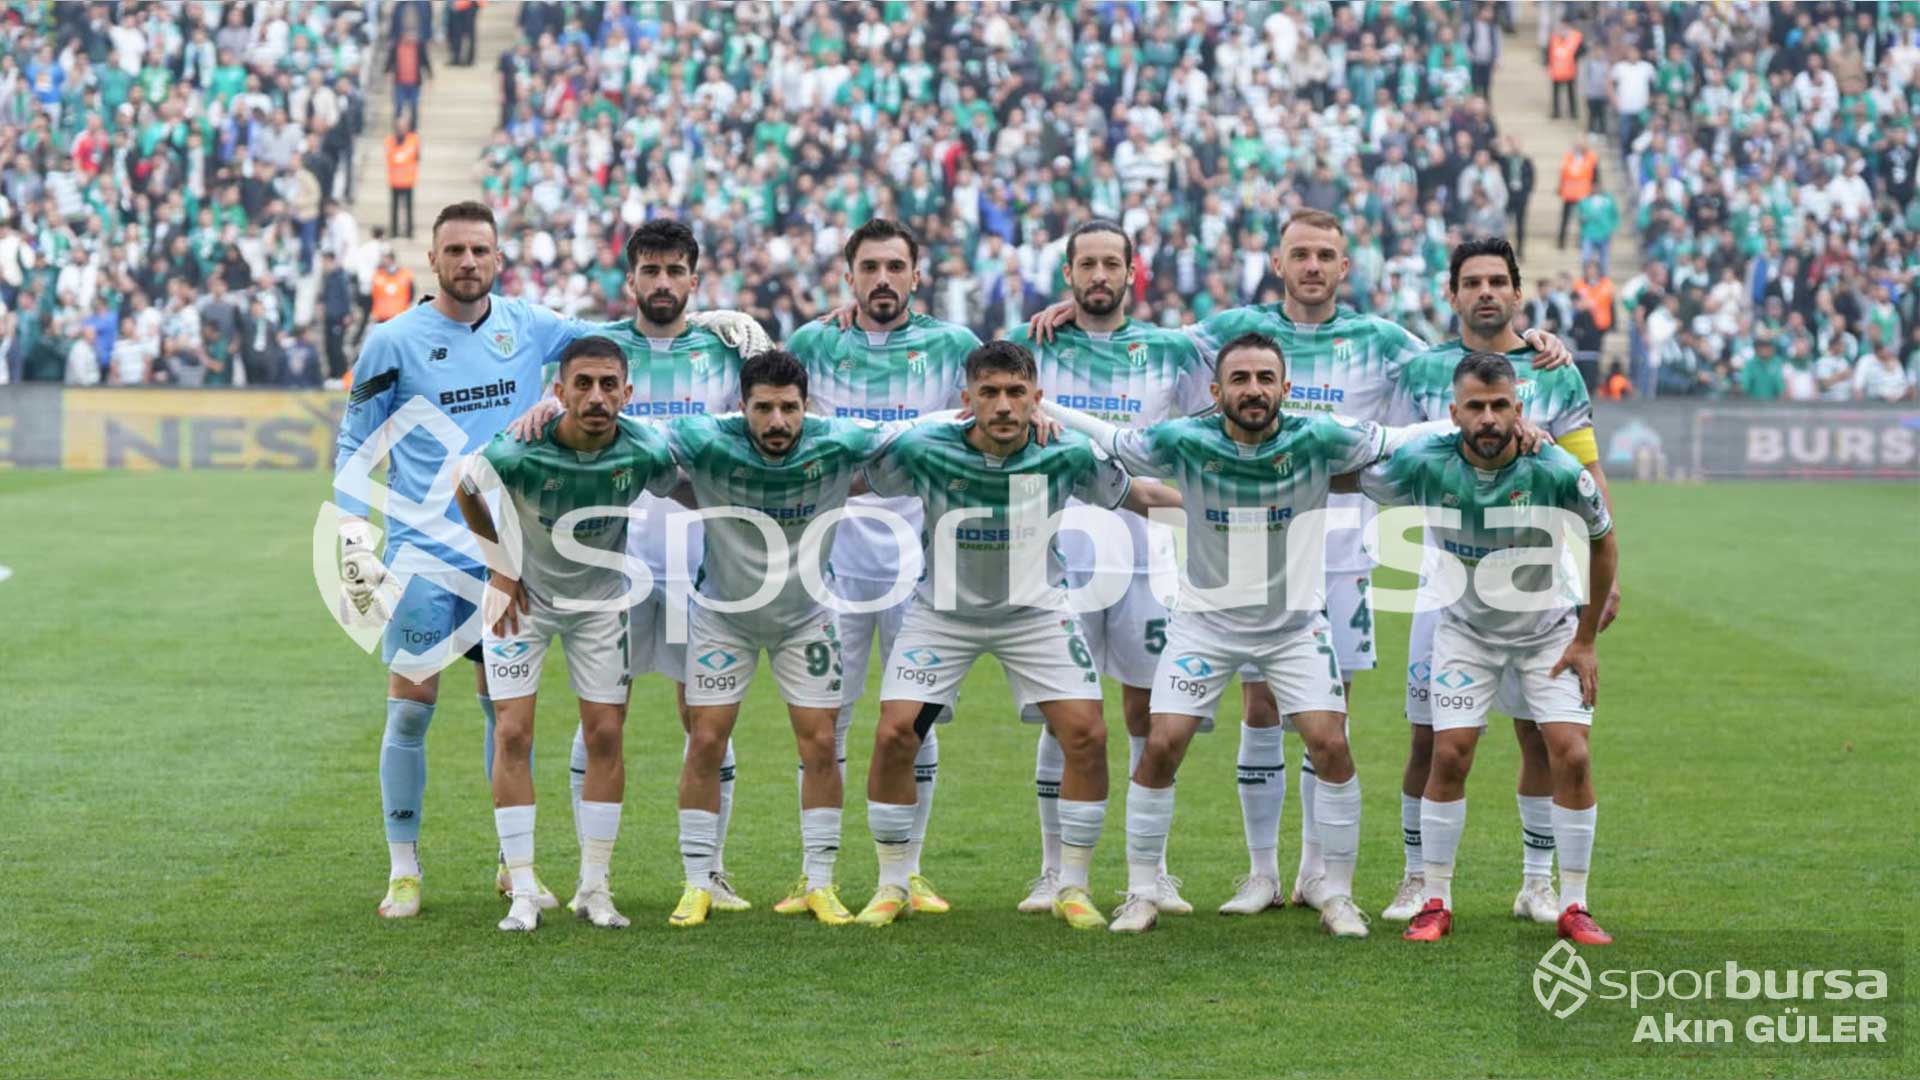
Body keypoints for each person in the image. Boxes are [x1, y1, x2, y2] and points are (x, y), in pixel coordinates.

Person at [1029, 210, 1573, 917]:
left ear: (1344, 266)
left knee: (1327, 721)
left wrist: (1530, 343)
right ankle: (1262, 872)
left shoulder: (1384, 341)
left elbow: (1463, 369)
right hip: (1242, 557)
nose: (1312, 266)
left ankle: (1320, 874)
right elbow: (1146, 341)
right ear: (1278, 264)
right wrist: (1078, 311)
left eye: (1325, 255)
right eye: (1300, 254)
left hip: (1337, 557)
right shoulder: (1233, 331)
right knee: (1258, 708)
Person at [1045, 332, 1414, 938]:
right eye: (1239, 379)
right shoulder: (1184, 440)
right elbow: (1111, 440)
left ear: (1285, 388)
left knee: (1331, 745)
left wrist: (1495, 426)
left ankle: (1339, 894)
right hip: (1205, 625)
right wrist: (1042, 406)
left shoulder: (1318, 437)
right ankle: (1142, 891)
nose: (1253, 390)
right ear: (1216, 392)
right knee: (1162, 745)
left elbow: (1401, 440)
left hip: (1294, 627)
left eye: (1265, 378)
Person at [851, 340, 1184, 931]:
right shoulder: (924, 449)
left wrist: (1239, 507)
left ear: (1037, 398)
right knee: (895, 733)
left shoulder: (1067, 453)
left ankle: (1072, 885)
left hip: (1037, 613)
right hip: (943, 614)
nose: (1003, 405)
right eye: (989, 393)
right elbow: (848, 478)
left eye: (1015, 392)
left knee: (1086, 734)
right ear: (967, 399)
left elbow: (1144, 497)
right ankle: (892, 883)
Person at [331, 200, 580, 920]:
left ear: (498, 258)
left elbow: (619, 344)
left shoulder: (530, 326)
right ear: (433, 260)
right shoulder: (392, 342)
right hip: (423, 559)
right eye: (455, 251)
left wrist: (710, 329)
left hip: (506, 558)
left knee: (508, 719)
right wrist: (352, 535)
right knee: (411, 712)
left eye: (480, 250)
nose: (468, 262)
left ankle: (512, 864)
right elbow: (354, 443)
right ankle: (403, 870)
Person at [509, 219, 758, 913]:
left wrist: (761, 341)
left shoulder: (724, 348)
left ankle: (709, 872)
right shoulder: (601, 351)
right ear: (632, 280)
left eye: (676, 271)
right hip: (611, 566)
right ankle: (593, 878)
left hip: (701, 560)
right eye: (651, 270)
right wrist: (541, 407)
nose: (663, 282)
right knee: (602, 720)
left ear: (694, 280)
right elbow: (551, 409)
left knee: (704, 718)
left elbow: (776, 409)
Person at [1379, 238, 1619, 927]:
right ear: (1451, 294)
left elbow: (1586, 471)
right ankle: (1419, 879)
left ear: (1517, 292)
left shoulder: (1554, 369)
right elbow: (1396, 452)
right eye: (1471, 282)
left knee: (1540, 736)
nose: (1485, 292)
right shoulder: (1421, 370)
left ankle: (1539, 884)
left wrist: (1606, 583)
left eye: (1497, 281)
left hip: (1540, 579)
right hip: (1446, 583)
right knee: (1433, 738)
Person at [662, 351, 940, 929]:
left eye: (789, 408)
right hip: (722, 616)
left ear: (806, 406)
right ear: (741, 407)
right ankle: (697, 883)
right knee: (706, 740)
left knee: (819, 744)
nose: (777, 421)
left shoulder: (839, 439)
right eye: (763, 408)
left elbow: (918, 429)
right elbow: (627, 428)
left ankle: (819, 882)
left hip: (807, 617)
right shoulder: (704, 438)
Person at [1005, 220, 1212, 917]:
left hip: (1146, 547)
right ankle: (1052, 871)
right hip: (1058, 546)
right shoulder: (1033, 343)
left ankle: (1151, 872)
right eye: (1086, 264)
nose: (1099, 275)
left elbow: (1207, 423)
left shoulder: (1170, 350)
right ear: (1067, 274)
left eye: (1111, 264)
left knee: (1148, 710)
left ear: (1131, 272)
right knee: (1062, 713)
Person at [783, 219, 982, 918]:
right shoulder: (812, 343)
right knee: (824, 722)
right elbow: (769, 406)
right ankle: (816, 874)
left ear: (917, 276)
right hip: (832, 560)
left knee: (914, 721)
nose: (883, 280)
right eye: (870, 268)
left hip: (919, 562)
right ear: (849, 276)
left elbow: (1001, 398)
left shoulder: (954, 346)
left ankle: (910, 871)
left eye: (896, 267)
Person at [453, 336, 680, 932]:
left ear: (628, 393)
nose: (596, 397)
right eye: (583, 384)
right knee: (512, 732)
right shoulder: (519, 448)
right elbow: (465, 486)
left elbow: (687, 478)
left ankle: (595, 887)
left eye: (609, 385)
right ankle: (523, 888)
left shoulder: (646, 449)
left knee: (605, 733)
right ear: (559, 392)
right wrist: (500, 566)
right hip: (521, 601)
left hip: (600, 603)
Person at [1557, 138, 1598, 251]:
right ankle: (1561, 241)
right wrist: (1560, 186)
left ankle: (1582, 240)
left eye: (1581, 144)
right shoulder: (1569, 157)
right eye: (1577, 144)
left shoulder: (1591, 158)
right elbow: (1563, 173)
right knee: (1565, 218)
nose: (1579, 146)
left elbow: (1595, 175)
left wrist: (1594, 189)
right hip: (1569, 191)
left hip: (1583, 192)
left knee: (1583, 218)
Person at [385, 116, 419, 240]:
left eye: (403, 126)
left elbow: (414, 156)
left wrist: (400, 157)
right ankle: (394, 231)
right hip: (394, 179)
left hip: (408, 179)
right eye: (399, 126)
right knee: (394, 207)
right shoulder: (389, 140)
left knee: (408, 208)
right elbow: (391, 157)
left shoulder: (414, 140)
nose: (401, 129)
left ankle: (409, 231)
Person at [1547, 19, 1583, 120]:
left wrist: (1575, 58)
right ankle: (1556, 111)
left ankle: (1573, 112)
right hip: (1557, 70)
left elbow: (1582, 50)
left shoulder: (1575, 37)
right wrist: (1548, 65)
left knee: (1571, 92)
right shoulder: (1554, 37)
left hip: (1569, 69)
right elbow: (1549, 52)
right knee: (1556, 92)